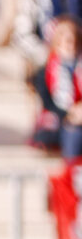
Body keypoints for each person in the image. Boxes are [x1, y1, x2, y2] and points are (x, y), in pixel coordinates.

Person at [30, 15, 82, 159]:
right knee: (74, 134)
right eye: (68, 42)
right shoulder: (45, 72)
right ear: (57, 43)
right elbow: (48, 104)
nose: (72, 46)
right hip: (60, 120)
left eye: (75, 41)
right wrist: (71, 113)